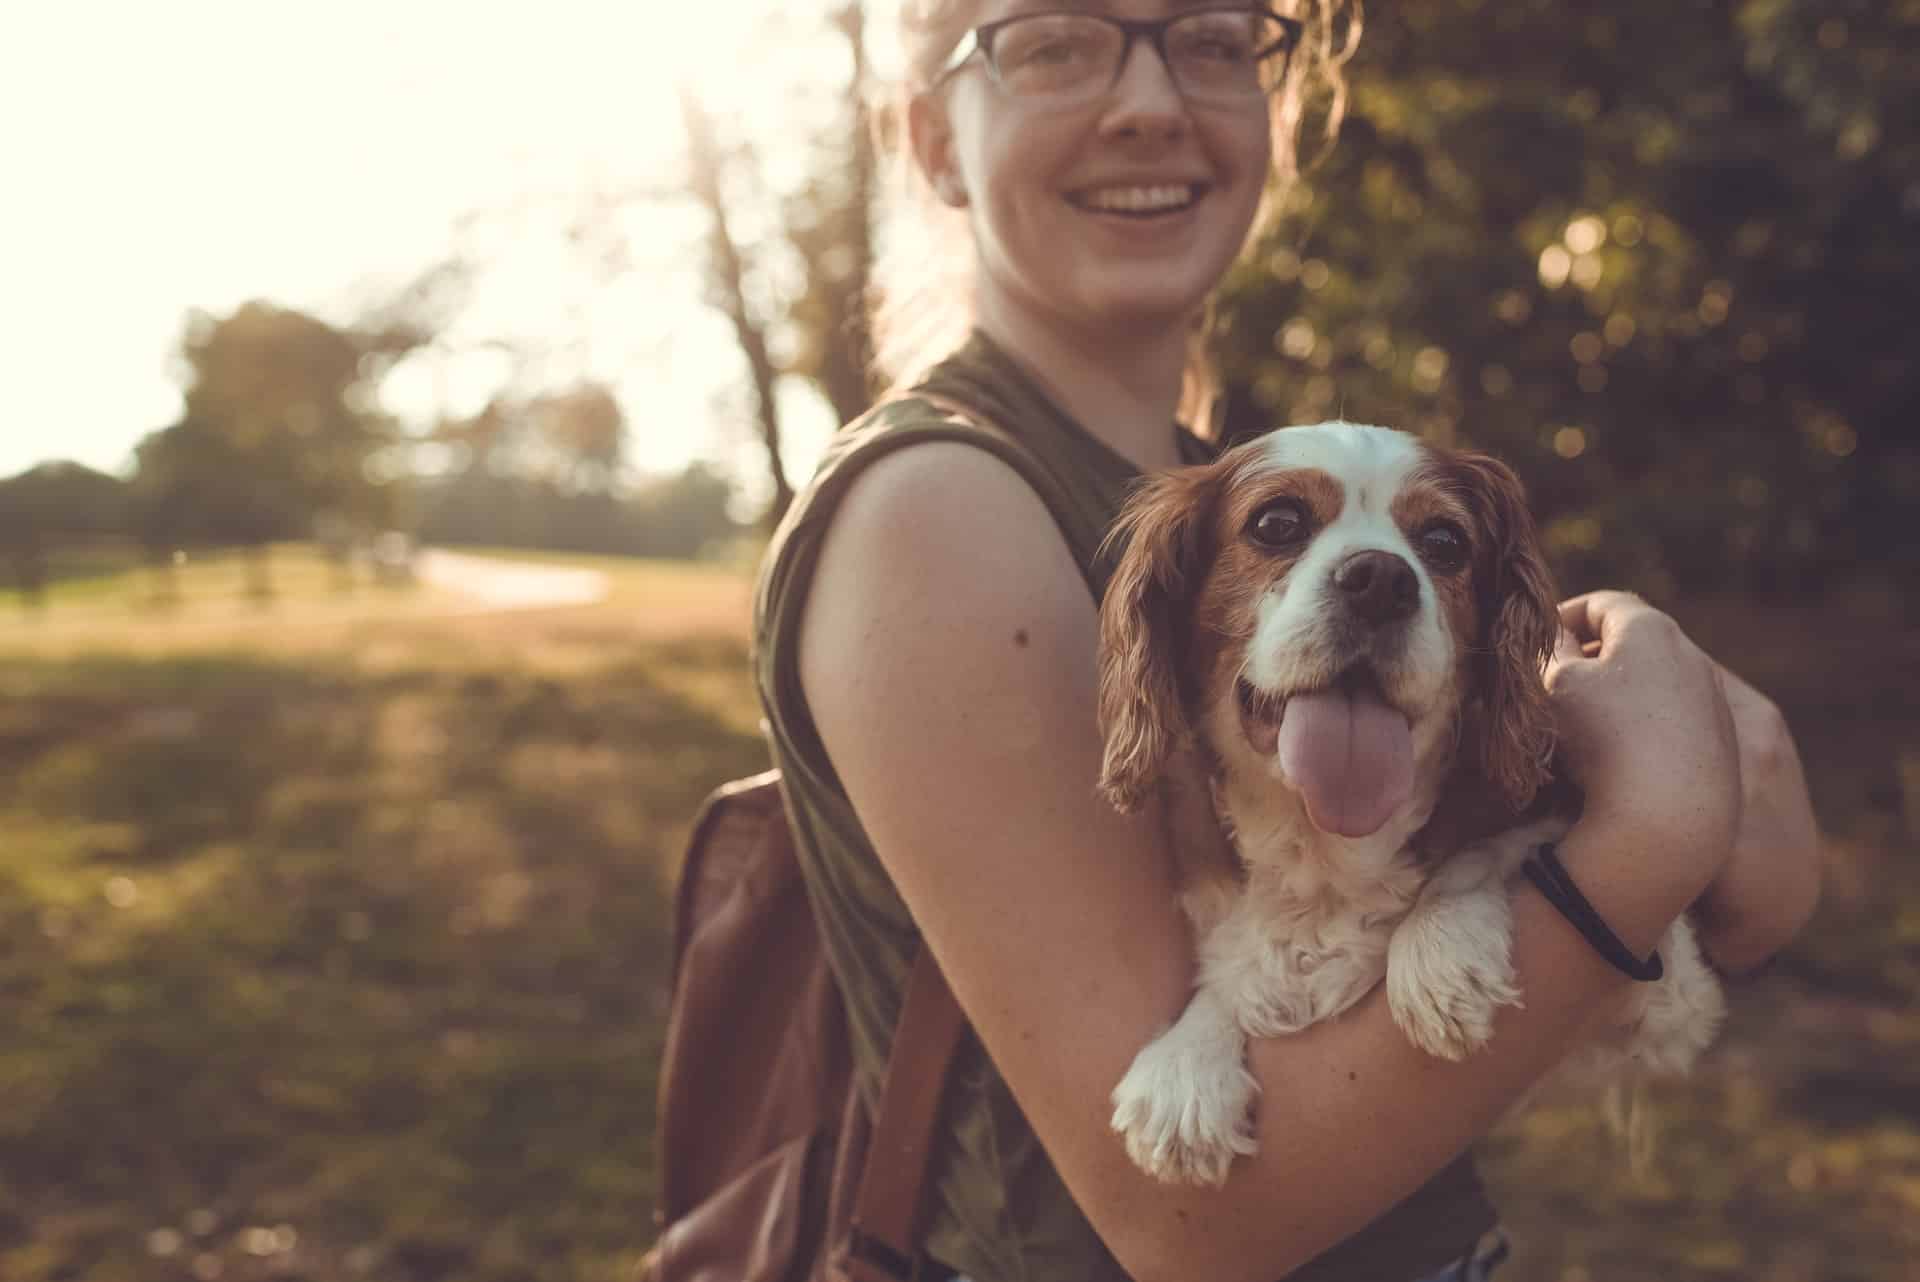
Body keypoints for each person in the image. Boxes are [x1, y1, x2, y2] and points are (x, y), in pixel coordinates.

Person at [751, 3, 1823, 1280]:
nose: (1150, 101)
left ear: (1279, 113)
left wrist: (1739, 827)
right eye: (1053, 40)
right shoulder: (942, 506)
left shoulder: (1230, 490)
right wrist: (1650, 839)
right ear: (931, 138)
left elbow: (1704, 913)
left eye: (1209, 38)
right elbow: (1185, 1222)